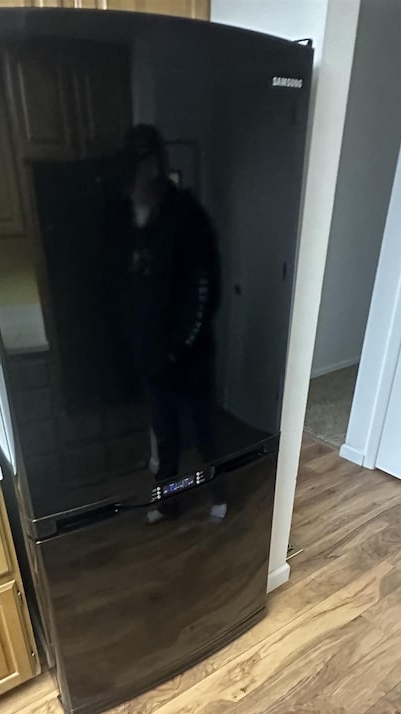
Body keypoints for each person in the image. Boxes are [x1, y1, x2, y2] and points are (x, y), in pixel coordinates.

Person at [116, 124, 226, 524]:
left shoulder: (188, 215)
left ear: (158, 164)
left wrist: (179, 347)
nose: (139, 177)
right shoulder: (132, 218)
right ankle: (168, 500)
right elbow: (132, 289)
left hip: (190, 355)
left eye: (146, 164)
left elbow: (204, 292)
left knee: (203, 429)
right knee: (165, 435)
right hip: (152, 357)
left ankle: (219, 494)